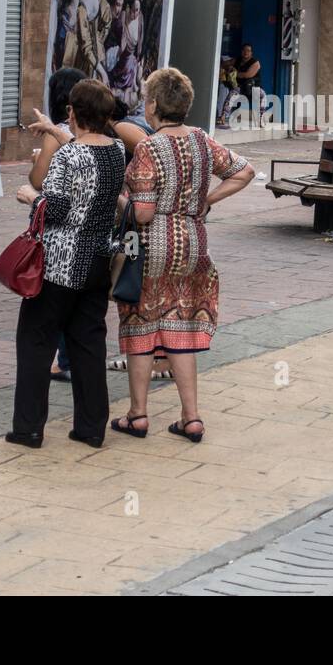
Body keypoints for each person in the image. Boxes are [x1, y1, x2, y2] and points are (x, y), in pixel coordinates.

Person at [111, 68, 255, 444]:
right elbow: (244, 172)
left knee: (141, 323)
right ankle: (191, 418)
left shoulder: (147, 146)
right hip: (193, 241)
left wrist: (119, 201)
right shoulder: (203, 141)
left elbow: (142, 212)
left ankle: (138, 415)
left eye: (146, 99)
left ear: (154, 104)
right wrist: (205, 200)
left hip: (151, 245)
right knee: (182, 326)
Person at [7, 79, 127, 450]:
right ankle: (91, 427)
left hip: (59, 263)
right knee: (89, 343)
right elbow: (82, 151)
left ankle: (28, 428)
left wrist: (32, 196)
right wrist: (54, 131)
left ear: (74, 112)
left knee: (35, 341)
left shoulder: (68, 156)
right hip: (97, 261)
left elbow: (56, 207)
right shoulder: (117, 150)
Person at [28, 67, 86, 383]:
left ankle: (60, 360)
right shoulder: (102, 134)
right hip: (91, 226)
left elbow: (39, 180)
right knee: (80, 301)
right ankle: (73, 358)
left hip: (60, 227)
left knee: (55, 296)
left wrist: (38, 160)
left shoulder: (58, 133)